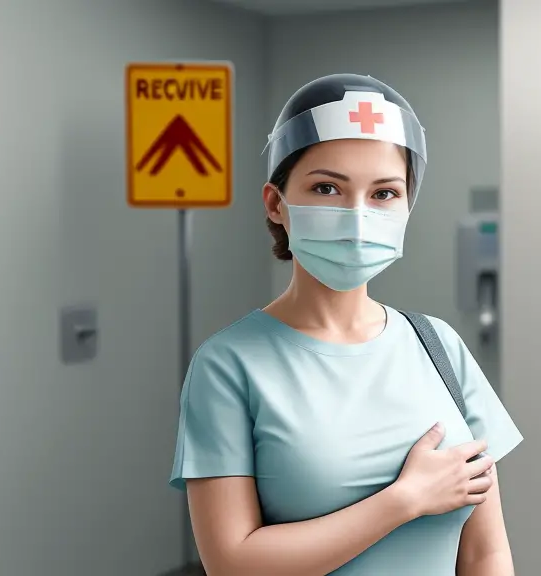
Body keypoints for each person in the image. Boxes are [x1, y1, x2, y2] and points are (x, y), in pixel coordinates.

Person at [169, 73, 522, 575]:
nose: (357, 217)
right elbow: (233, 563)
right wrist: (404, 500)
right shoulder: (228, 365)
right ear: (276, 203)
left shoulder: (438, 346)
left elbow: (487, 552)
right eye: (327, 187)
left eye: (383, 193)